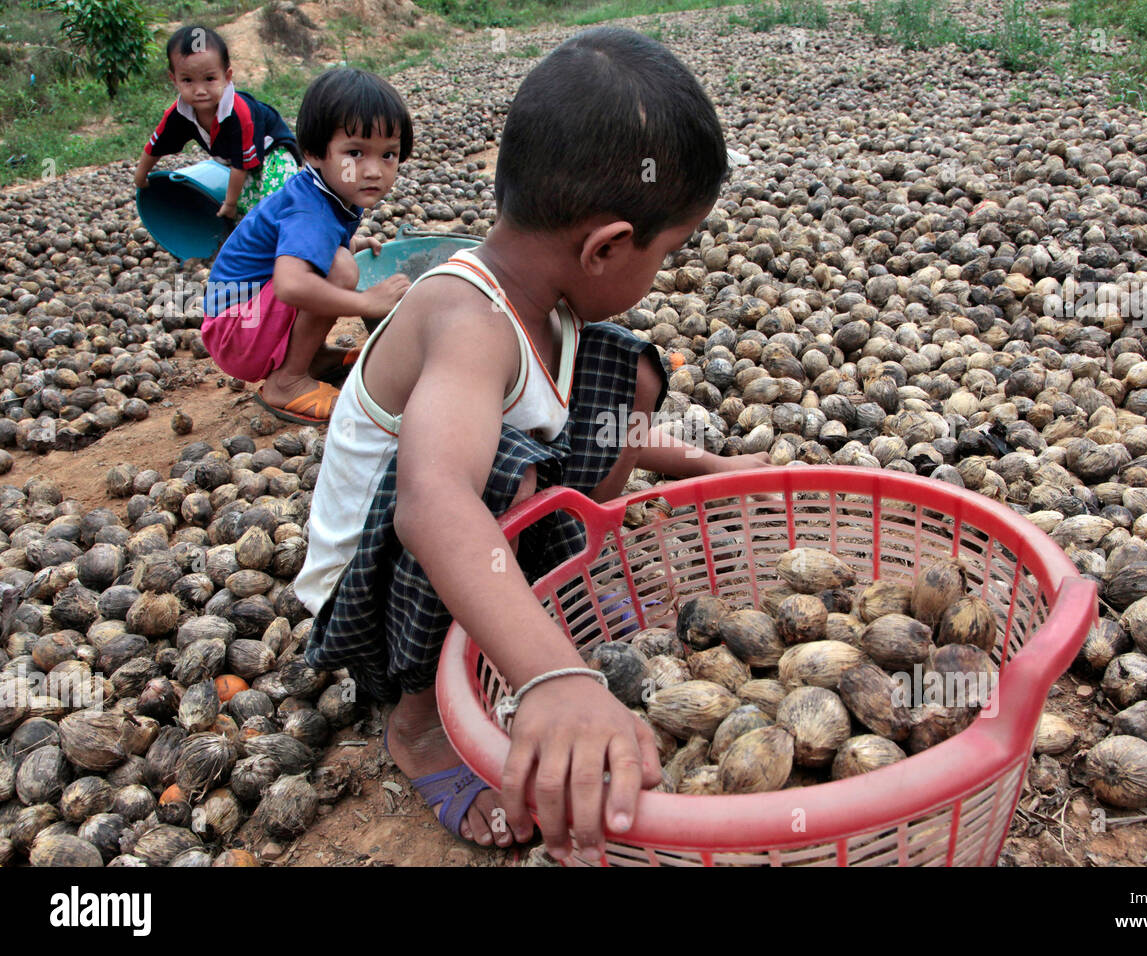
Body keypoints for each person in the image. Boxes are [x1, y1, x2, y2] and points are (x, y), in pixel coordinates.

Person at [295, 27, 771, 862]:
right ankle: (417, 725)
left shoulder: (549, 300)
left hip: (470, 543)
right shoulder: (467, 320)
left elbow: (588, 422)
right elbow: (434, 501)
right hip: (371, 602)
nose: (664, 271)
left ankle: (567, 584)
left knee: (626, 373)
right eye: (667, 252)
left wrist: (714, 466)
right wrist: (554, 677)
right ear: (607, 247)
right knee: (493, 477)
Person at [200, 68, 413, 424]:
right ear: (314, 152)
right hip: (236, 330)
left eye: (388, 155)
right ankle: (288, 380)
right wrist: (365, 302)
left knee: (341, 257)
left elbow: (296, 247)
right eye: (356, 153)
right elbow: (291, 284)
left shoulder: (334, 189)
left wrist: (353, 240)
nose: (374, 170)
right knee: (341, 268)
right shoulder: (310, 209)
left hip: (244, 319)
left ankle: (311, 357)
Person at [134, 25, 302, 219]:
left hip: (273, 151)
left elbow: (240, 166)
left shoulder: (238, 114)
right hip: (238, 162)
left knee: (277, 199)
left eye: (209, 79)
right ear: (174, 80)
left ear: (227, 77)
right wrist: (141, 174)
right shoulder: (178, 114)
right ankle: (252, 236)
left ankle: (290, 229)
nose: (200, 90)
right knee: (248, 208)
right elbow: (156, 144)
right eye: (188, 80)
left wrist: (229, 204)